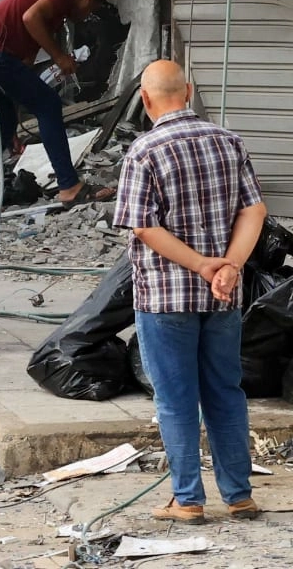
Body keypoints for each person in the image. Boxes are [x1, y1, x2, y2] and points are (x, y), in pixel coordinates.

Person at [112, 60, 268, 524]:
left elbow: (143, 226)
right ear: (189, 91)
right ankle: (239, 496)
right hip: (223, 295)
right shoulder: (228, 141)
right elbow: (254, 211)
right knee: (225, 390)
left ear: (145, 99)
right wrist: (229, 267)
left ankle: (188, 500)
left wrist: (201, 265)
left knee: (176, 398)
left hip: (165, 297)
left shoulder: (144, 151)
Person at [0, 0, 112, 214]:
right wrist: (59, 57)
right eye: (90, 10)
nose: (85, 17)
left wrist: (17, 105)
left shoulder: (54, 15)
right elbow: (30, 17)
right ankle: (69, 186)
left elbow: (23, 65)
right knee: (49, 105)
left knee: (2, 126)